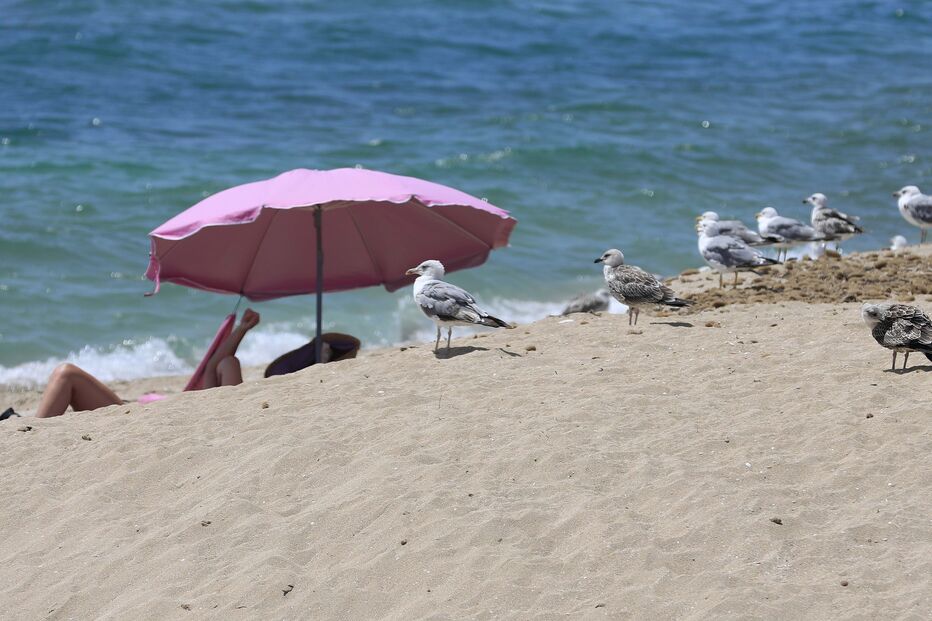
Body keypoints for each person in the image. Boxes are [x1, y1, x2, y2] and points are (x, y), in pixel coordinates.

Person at [33, 309, 261, 419]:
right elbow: (213, 367)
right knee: (65, 374)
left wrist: (241, 332)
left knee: (66, 374)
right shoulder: (212, 396)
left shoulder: (220, 411)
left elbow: (219, 368)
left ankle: (35, 433)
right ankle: (36, 431)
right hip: (137, 417)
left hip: (135, 422)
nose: (219, 368)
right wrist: (242, 328)